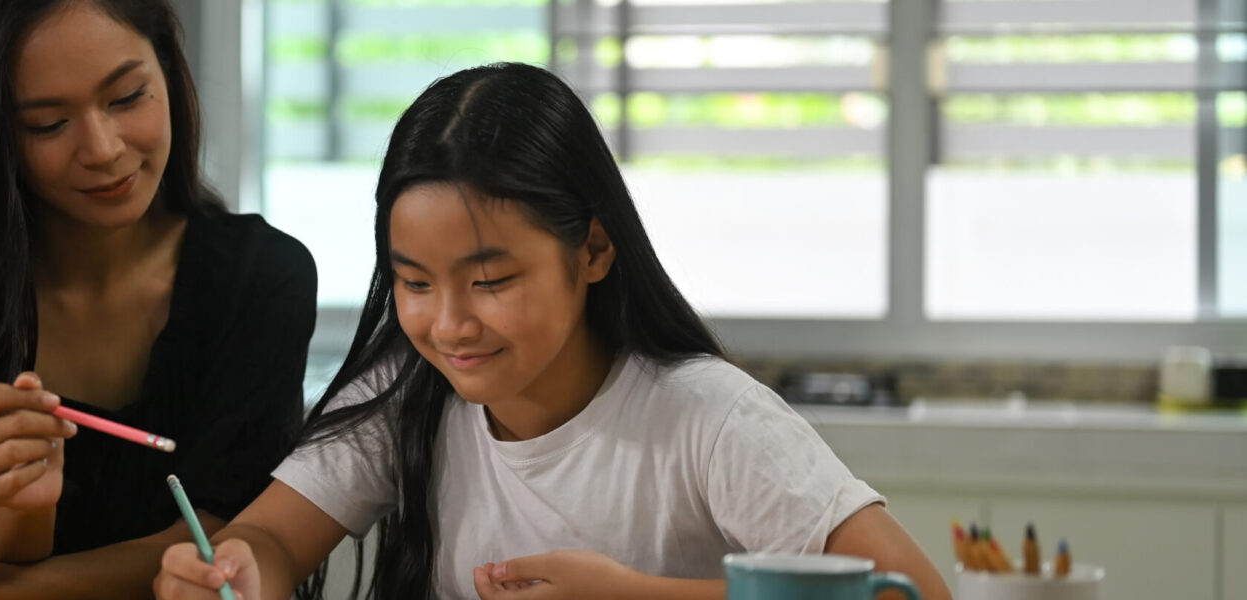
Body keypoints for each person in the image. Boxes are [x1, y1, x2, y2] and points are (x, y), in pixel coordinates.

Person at [154, 62, 950, 600]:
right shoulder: (407, 391)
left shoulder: (708, 417)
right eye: (415, 283)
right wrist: (237, 569)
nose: (450, 324)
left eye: (491, 281)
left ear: (593, 250)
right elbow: (274, 538)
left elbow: (911, 593)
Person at [0, 0, 317, 597]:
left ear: (169, 73)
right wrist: (7, 521)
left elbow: (224, 538)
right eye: (47, 124)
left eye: (126, 98)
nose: (102, 148)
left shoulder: (259, 279)